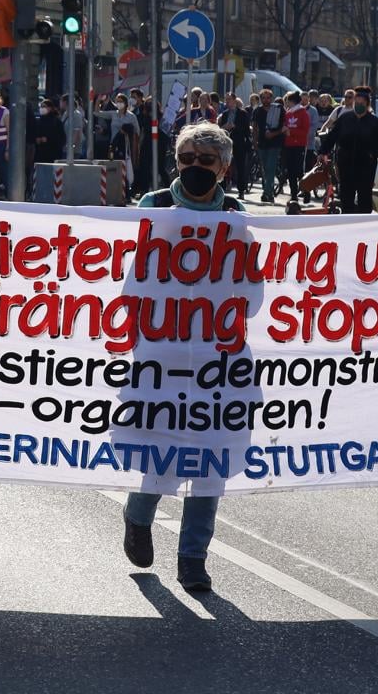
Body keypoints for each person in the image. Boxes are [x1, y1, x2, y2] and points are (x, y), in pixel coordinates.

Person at [122, 122, 241, 593]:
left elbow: (250, 287)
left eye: (204, 161)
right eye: (186, 159)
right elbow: (130, 275)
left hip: (218, 353)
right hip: (160, 347)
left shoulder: (236, 215)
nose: (193, 168)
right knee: (164, 449)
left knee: (210, 460)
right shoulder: (153, 207)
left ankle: (193, 557)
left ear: (224, 168)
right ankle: (138, 514)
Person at [323, 86, 378, 214]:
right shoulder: (345, 119)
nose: (358, 106)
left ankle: (363, 226)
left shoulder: (374, 122)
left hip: (365, 166)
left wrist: (371, 155)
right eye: (356, 103)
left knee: (364, 198)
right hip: (346, 164)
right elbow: (332, 136)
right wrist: (323, 151)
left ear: (367, 104)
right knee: (346, 197)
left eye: (361, 104)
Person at [280, 91, 312, 196]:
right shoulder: (288, 113)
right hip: (288, 145)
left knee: (298, 171)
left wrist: (291, 131)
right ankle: (294, 195)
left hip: (299, 146)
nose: (286, 104)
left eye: (288, 101)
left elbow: (305, 131)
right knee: (290, 172)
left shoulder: (303, 113)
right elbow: (285, 125)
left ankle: (306, 191)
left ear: (292, 101)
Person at [254, 88, 284, 203]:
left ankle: (266, 193)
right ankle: (268, 191)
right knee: (264, 169)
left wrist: (273, 134)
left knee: (270, 168)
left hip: (274, 143)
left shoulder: (278, 109)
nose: (266, 100)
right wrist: (255, 142)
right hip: (262, 143)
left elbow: (283, 126)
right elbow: (255, 127)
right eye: (263, 98)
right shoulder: (258, 111)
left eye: (268, 97)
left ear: (271, 98)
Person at [31, 96, 65, 170]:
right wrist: (37, 139)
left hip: (53, 154)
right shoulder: (39, 121)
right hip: (40, 154)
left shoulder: (56, 122)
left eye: (44, 106)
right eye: (41, 106)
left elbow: (61, 138)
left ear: (50, 108)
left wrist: (48, 139)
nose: (42, 108)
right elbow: (34, 134)